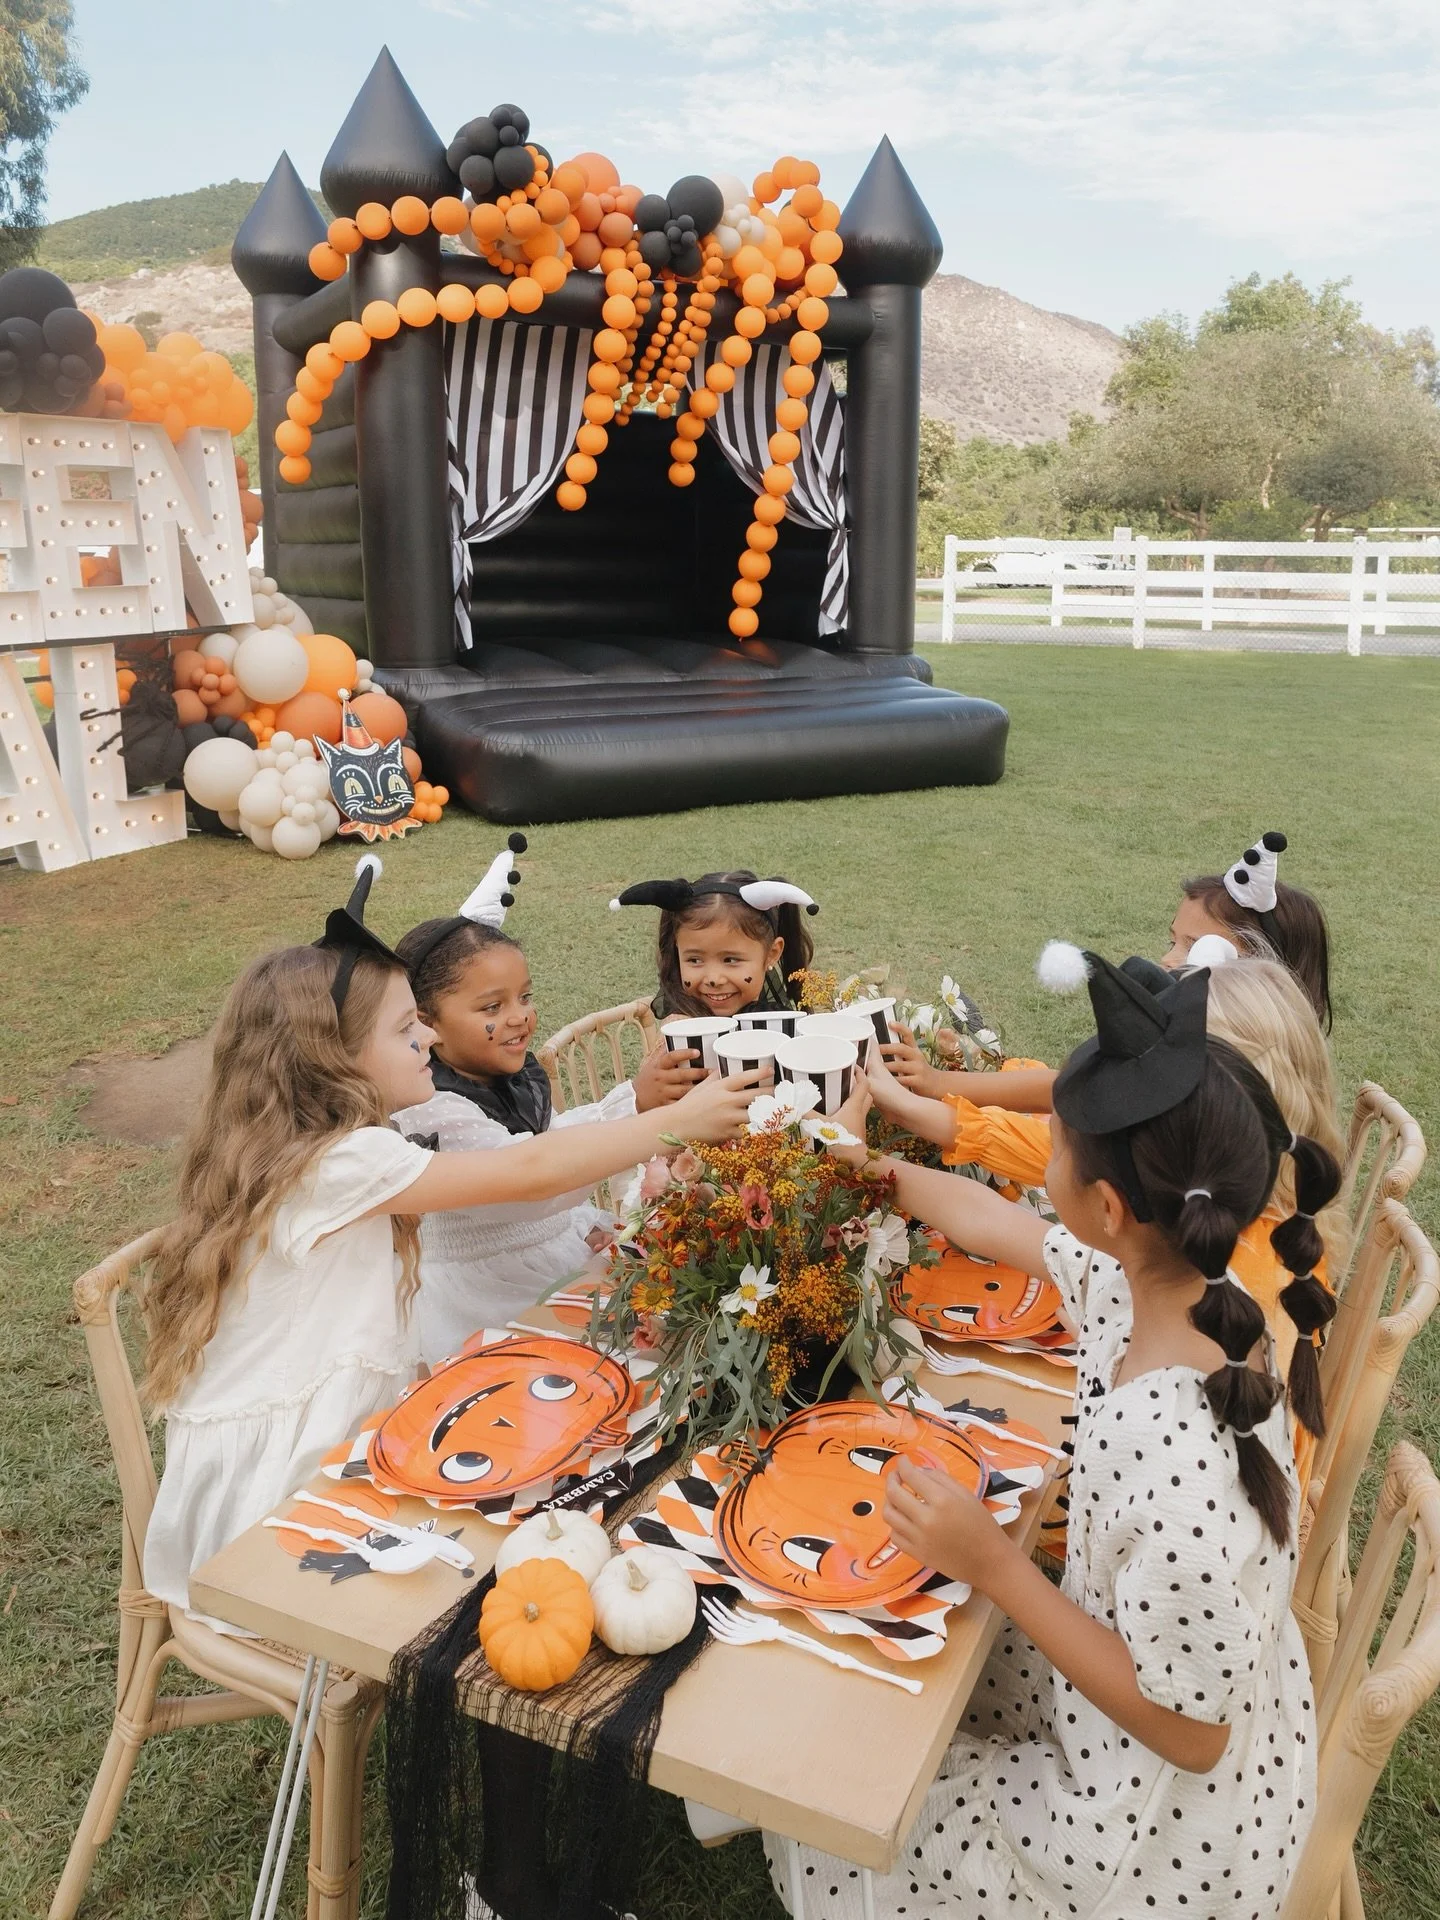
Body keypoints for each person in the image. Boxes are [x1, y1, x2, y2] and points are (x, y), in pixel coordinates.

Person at [766, 951, 1339, 1920]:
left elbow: (1193, 1734)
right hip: (1154, 1725)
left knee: (838, 1820)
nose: (1043, 1166)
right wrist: (875, 1171)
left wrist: (994, 1563)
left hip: (1159, 1844)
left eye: (1055, 1149)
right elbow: (994, 1222)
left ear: (1108, 1208)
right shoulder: (1174, 1293)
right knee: (911, 1671)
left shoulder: (1177, 1456)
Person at [141, 858, 757, 1628]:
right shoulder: (339, 1161)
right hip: (287, 1489)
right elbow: (529, 1172)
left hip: (365, 1418)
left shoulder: (339, 1141)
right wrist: (674, 1122)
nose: (428, 1037)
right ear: (335, 1057)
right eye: (408, 1029)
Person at [390, 839, 702, 1362]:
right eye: (492, 1007)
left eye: (525, 997)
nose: (520, 1017)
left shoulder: (504, 1075)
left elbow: (551, 1141)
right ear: (426, 1023)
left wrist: (636, 1099)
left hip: (553, 1247)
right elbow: (533, 1180)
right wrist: (640, 1112)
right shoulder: (429, 1105)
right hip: (488, 1295)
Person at [609, 868, 818, 1020]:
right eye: (694, 960)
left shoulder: (781, 1027)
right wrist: (651, 1072)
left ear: (772, 953)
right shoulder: (679, 1032)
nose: (713, 979)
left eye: (730, 960)